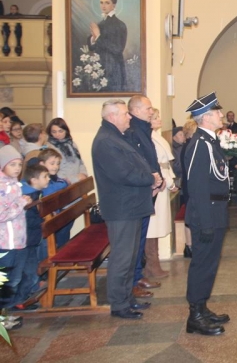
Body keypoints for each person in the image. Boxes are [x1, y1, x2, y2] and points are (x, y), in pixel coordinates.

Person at [91, 99, 156, 320]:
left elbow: (136, 163)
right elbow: (124, 174)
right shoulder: (106, 141)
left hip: (130, 206)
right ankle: (119, 304)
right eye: (125, 114)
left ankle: (127, 297)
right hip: (121, 208)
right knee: (122, 257)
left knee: (130, 256)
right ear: (112, 117)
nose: (129, 117)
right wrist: (151, 178)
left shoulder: (117, 137)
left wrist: (150, 176)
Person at [183, 92, 231, 336]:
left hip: (216, 211)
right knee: (202, 264)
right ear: (206, 117)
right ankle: (195, 317)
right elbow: (197, 186)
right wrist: (205, 222)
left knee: (210, 264)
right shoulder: (200, 144)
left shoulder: (210, 141)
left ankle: (202, 308)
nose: (221, 114)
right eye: (217, 112)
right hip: (207, 214)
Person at [126, 95, 164, 298]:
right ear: (136, 110)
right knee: (136, 238)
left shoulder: (143, 129)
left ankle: (138, 276)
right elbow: (138, 162)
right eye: (148, 109)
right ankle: (132, 281)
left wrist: (159, 178)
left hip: (149, 187)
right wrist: (152, 179)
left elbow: (151, 158)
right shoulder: (133, 131)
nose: (151, 112)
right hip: (142, 189)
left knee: (141, 235)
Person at [0, 145, 31, 331]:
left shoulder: (14, 184)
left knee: (14, 280)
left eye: (19, 164)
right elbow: (2, 214)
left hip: (18, 241)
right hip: (5, 243)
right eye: (12, 164)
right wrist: (21, 202)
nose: (17, 168)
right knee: (5, 282)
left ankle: (5, 314)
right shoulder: (2, 187)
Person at [146, 109, 176, 280]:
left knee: (157, 225)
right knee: (153, 226)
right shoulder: (149, 138)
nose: (159, 120)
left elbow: (166, 164)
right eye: (155, 118)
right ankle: (152, 263)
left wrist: (171, 180)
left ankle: (154, 262)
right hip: (158, 185)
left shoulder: (156, 137)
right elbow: (158, 165)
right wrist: (169, 181)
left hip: (163, 182)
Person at [15, 163, 50, 310]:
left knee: (32, 268)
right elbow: (28, 220)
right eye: (45, 176)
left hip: (32, 239)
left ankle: (28, 293)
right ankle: (20, 300)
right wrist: (44, 221)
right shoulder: (28, 197)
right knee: (28, 271)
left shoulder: (35, 193)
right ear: (34, 180)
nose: (49, 179)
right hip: (27, 240)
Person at [89, 0, 127, 91]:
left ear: (114, 5)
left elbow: (117, 49)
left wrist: (98, 36)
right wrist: (93, 37)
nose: (103, 6)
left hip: (114, 67)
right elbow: (92, 47)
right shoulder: (100, 24)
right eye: (101, 2)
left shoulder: (119, 24)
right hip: (101, 66)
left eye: (107, 2)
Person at [46, 118, 88, 183]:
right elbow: (55, 171)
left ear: (66, 131)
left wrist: (83, 174)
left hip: (78, 181)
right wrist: (74, 179)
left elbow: (80, 162)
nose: (57, 134)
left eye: (60, 131)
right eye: (54, 132)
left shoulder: (72, 144)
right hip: (63, 183)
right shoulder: (50, 148)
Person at [179, 119, 198, 258]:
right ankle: (190, 246)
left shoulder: (187, 144)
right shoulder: (191, 146)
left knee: (190, 214)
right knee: (192, 215)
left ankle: (190, 245)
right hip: (192, 185)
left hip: (188, 184)